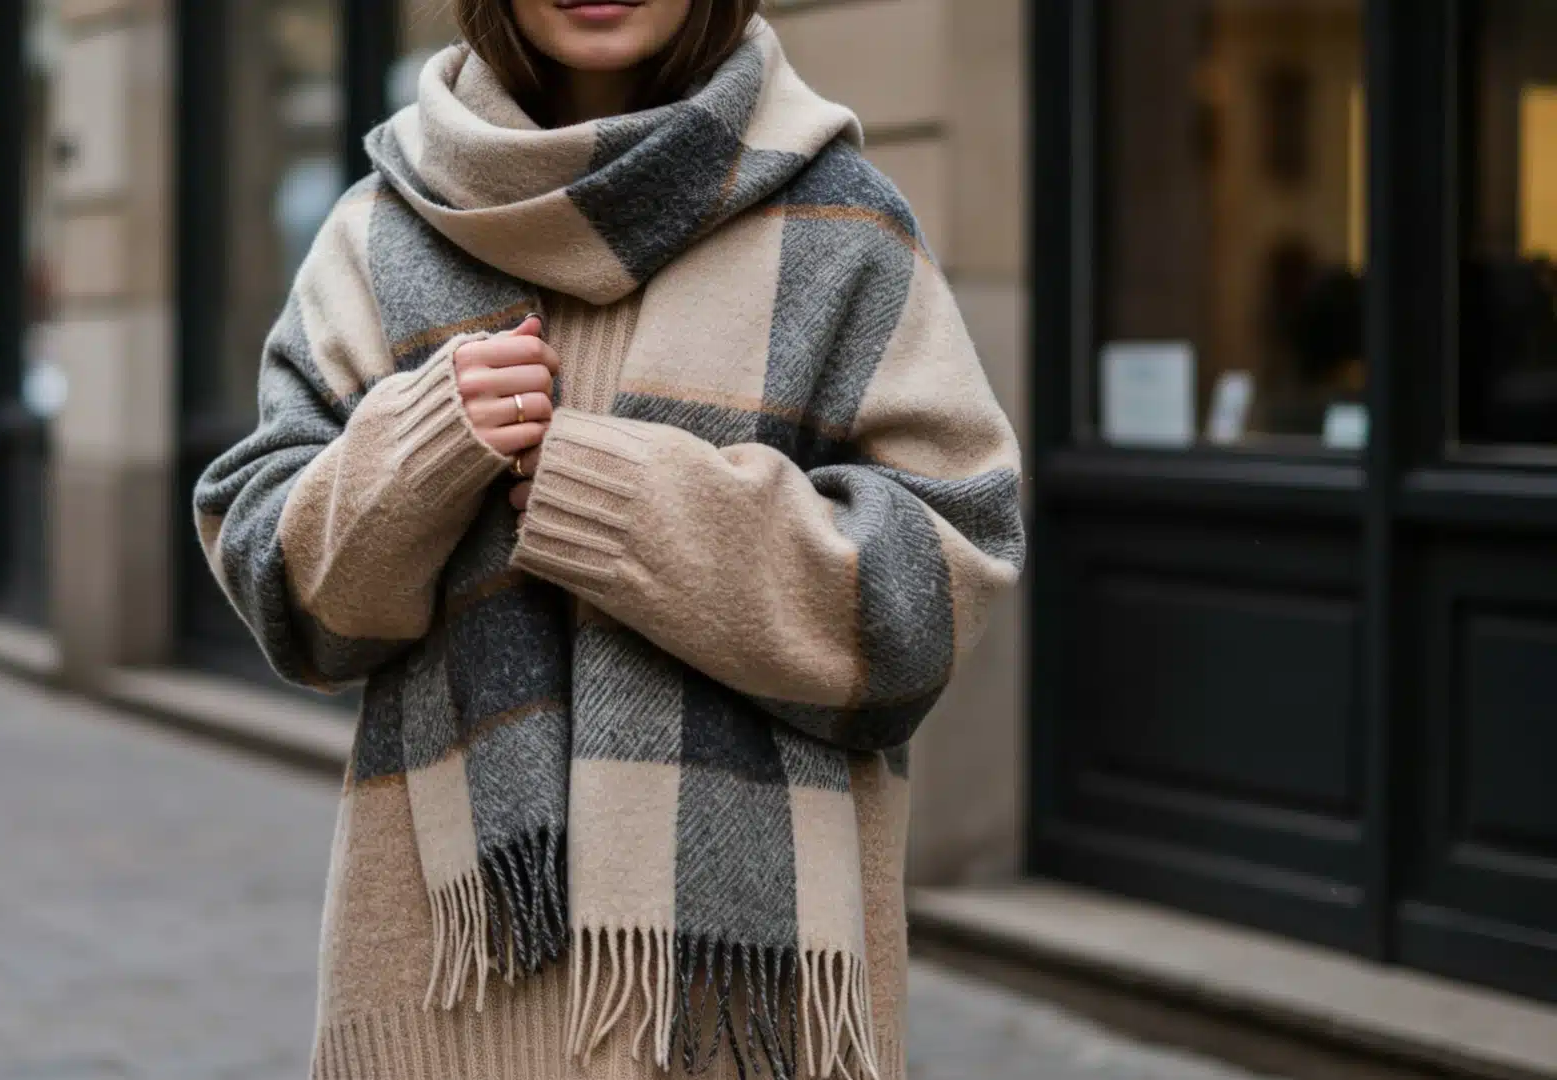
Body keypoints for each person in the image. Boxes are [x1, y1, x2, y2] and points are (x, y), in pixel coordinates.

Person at [193, 2, 1024, 1077]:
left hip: (737, 1013)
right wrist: (422, 448)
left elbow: (927, 605)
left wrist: (618, 502)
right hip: (456, 993)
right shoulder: (379, 234)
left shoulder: (841, 228)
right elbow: (288, 600)